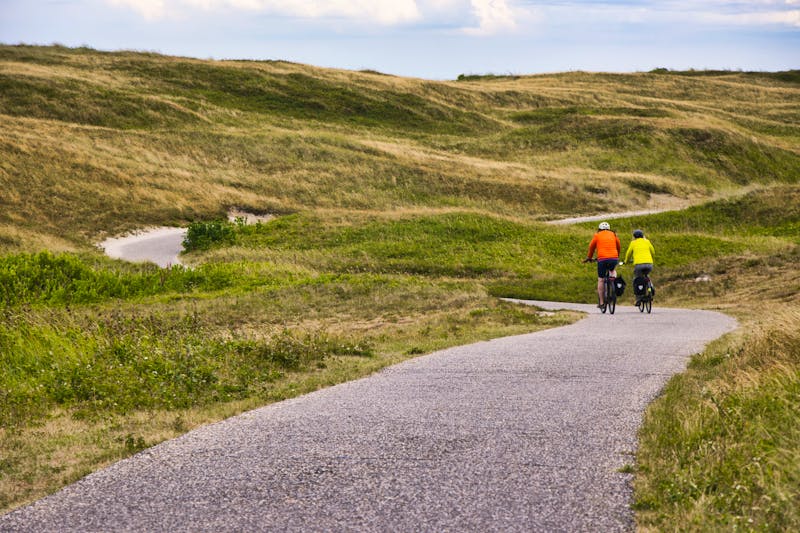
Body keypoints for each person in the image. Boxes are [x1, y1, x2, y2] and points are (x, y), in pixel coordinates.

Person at [583, 221, 621, 307]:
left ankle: (602, 302)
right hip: (613, 258)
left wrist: (589, 257)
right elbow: (618, 246)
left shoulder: (597, 235)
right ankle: (613, 284)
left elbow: (591, 247)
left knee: (601, 279)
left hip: (602, 259)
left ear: (599, 229)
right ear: (609, 228)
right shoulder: (613, 234)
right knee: (612, 270)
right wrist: (616, 256)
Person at [622, 229, 655, 299]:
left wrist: (626, 261)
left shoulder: (633, 243)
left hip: (639, 265)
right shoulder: (647, 241)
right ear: (643, 236)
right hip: (649, 264)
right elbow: (653, 251)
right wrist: (650, 258)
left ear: (634, 236)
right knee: (646, 275)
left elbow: (628, 253)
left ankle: (638, 298)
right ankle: (651, 286)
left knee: (637, 279)